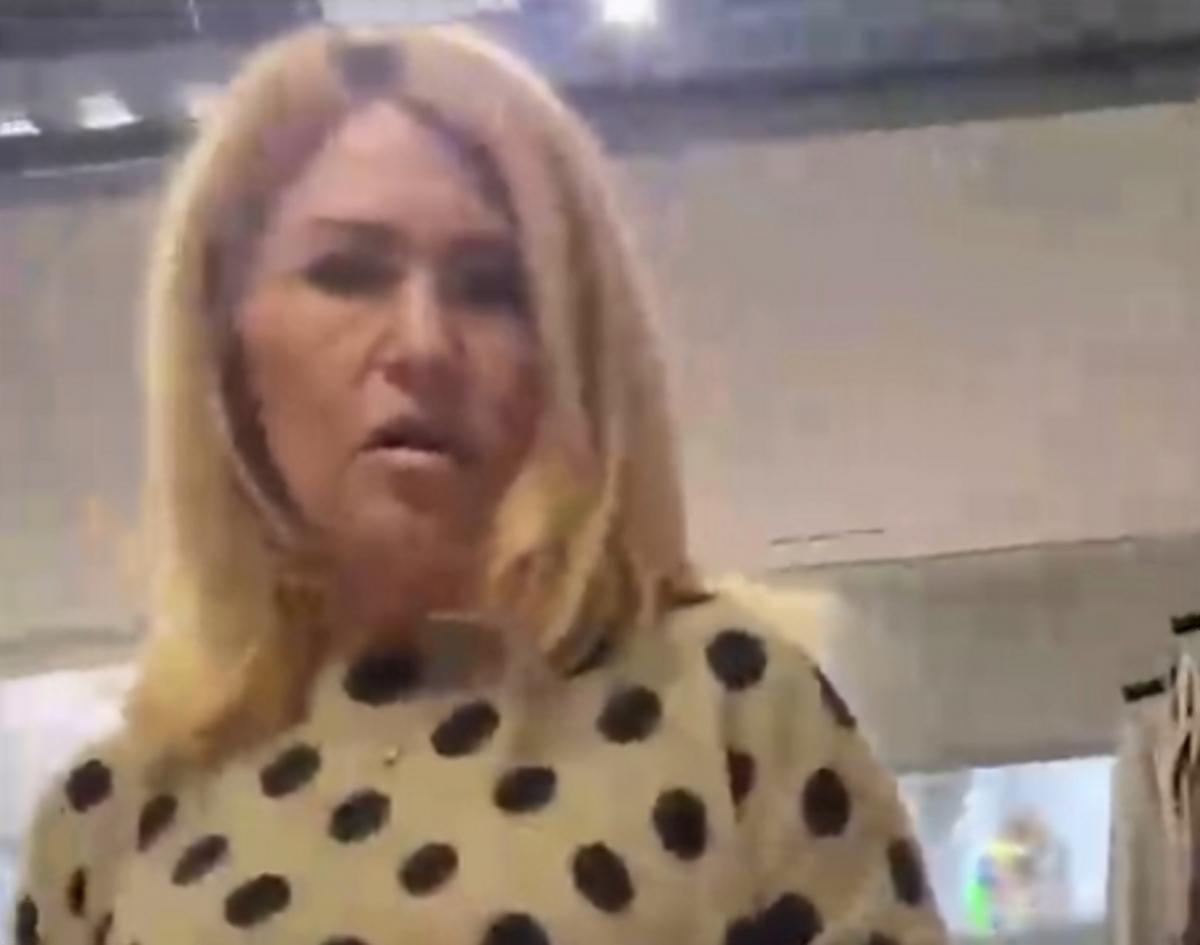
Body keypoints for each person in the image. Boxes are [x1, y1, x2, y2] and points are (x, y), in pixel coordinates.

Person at [12, 23, 947, 945]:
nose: (423, 344)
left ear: (570, 345)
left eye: (492, 287)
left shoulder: (729, 709)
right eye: (348, 273)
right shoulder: (110, 819)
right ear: (227, 344)